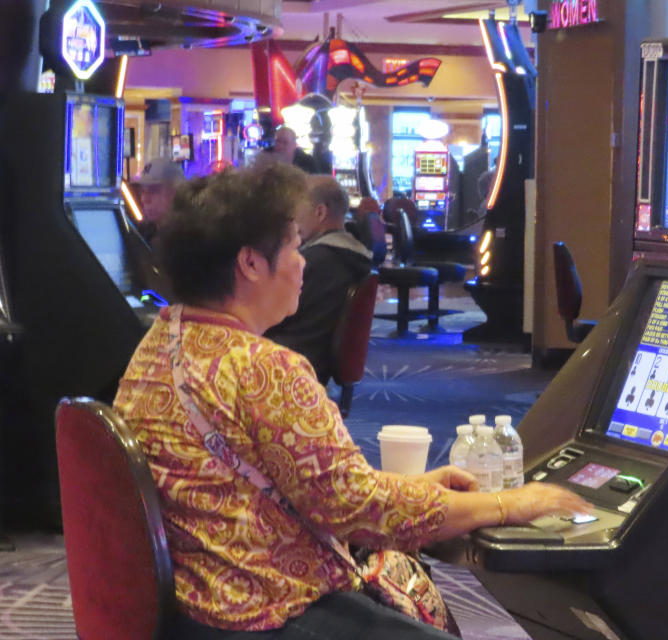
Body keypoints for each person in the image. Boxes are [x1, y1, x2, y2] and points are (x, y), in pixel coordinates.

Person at [112, 163, 590, 639]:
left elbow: (317, 489)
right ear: (251, 263)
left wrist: (424, 487)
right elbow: (360, 511)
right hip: (261, 611)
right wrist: (509, 503)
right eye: (296, 246)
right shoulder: (264, 368)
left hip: (191, 603)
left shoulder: (160, 340)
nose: (304, 263)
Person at [265, 175, 372, 382]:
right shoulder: (350, 256)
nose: (292, 218)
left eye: (296, 210)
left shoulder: (312, 262)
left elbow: (268, 318)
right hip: (310, 361)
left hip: (287, 364)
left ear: (320, 212)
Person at [135, 157, 185, 244]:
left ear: (176, 192)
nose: (144, 199)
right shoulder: (143, 233)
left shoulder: (191, 240)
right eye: (143, 191)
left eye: (153, 190)